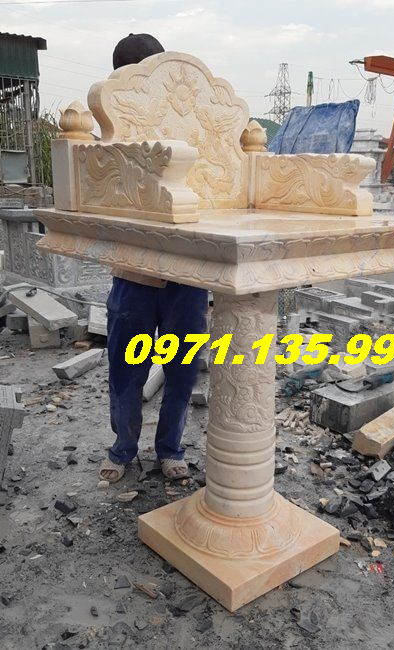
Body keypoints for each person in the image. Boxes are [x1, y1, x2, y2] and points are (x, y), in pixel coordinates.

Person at [99, 34, 208, 483]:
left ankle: (170, 448)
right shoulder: (113, 128)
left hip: (187, 276)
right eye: (131, 74)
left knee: (181, 372)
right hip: (134, 274)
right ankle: (123, 449)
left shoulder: (192, 125)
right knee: (126, 371)